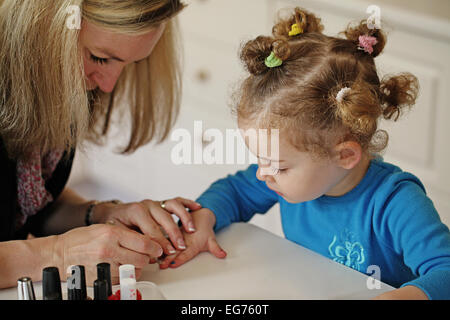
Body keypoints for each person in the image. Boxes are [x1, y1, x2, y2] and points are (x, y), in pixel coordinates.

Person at [159, 7, 450, 300]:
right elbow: (234, 191)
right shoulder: (286, 177)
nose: (262, 173)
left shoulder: (395, 202)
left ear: (345, 156)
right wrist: (206, 217)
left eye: (278, 166)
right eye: (262, 160)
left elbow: (445, 271)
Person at [0, 0, 201, 289]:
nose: (108, 84)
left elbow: (27, 207)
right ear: (45, 25)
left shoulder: (61, 85)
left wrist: (101, 213)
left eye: (129, 63)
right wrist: (58, 253)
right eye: (100, 58)